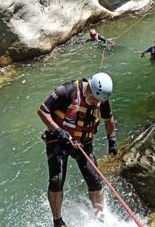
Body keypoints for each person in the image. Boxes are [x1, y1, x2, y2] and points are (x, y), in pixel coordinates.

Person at [38, 72, 118, 227]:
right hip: (58, 140)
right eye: (95, 98)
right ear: (90, 89)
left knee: (95, 181)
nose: (96, 103)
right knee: (56, 180)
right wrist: (58, 131)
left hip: (83, 143)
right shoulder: (66, 91)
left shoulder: (101, 99)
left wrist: (112, 140)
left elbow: (108, 119)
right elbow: (42, 110)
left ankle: (101, 219)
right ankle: (58, 221)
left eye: (99, 101)